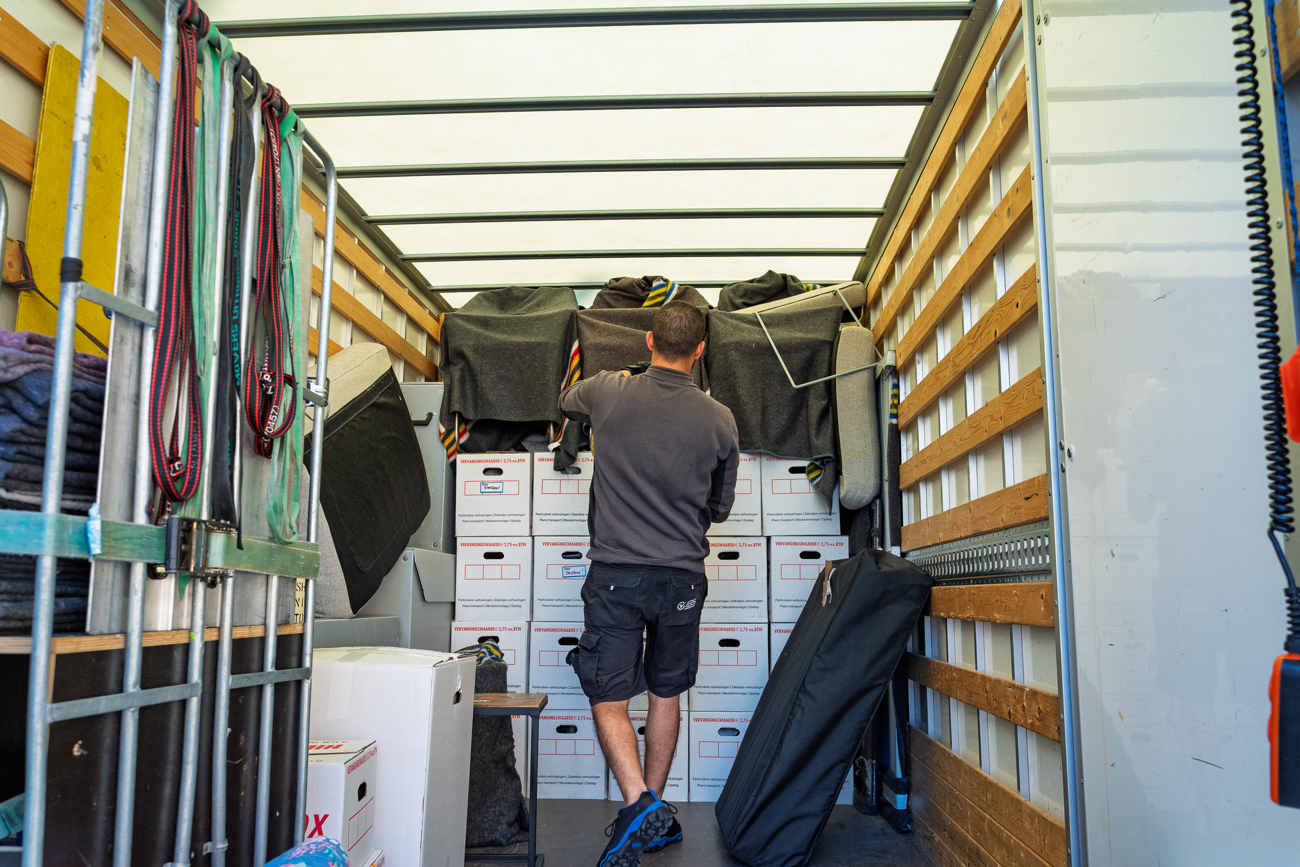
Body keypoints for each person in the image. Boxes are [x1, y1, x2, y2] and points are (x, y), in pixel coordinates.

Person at [558, 301, 740, 867]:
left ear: (647, 340)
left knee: (609, 696)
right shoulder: (721, 420)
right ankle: (651, 814)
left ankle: (637, 805)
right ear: (701, 351)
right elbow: (722, 508)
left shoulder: (609, 390)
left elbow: (566, 400)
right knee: (666, 692)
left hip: (616, 574)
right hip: (682, 577)